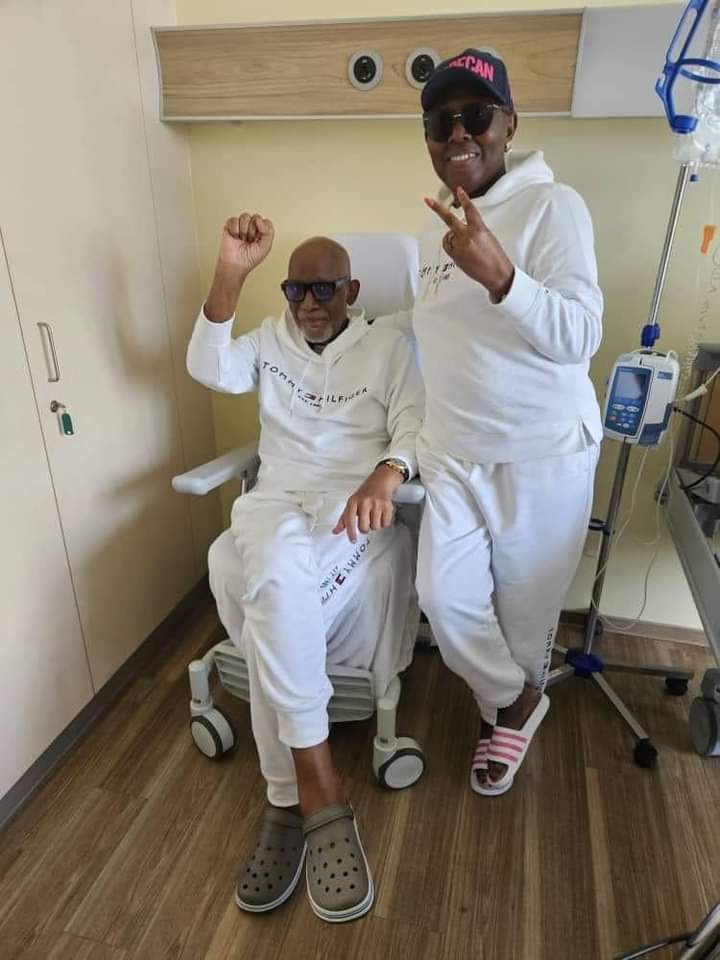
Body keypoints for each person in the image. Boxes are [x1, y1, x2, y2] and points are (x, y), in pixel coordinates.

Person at [186, 214, 423, 921]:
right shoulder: (268, 340)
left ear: (352, 290)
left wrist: (386, 474)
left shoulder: (389, 347)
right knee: (271, 576)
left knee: (267, 595)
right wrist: (231, 271)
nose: (310, 304)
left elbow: (415, 425)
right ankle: (320, 785)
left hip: (347, 511)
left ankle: (287, 797)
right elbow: (208, 367)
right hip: (275, 502)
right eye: (297, 290)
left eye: (325, 289)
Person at [405, 48, 603, 796]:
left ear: (509, 124)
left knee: (523, 624)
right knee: (443, 599)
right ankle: (515, 700)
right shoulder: (436, 223)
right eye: (440, 121)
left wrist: (505, 279)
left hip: (537, 455)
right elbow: (444, 339)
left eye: (476, 116)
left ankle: (505, 717)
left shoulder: (555, 207)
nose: (458, 133)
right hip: (453, 452)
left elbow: (581, 335)